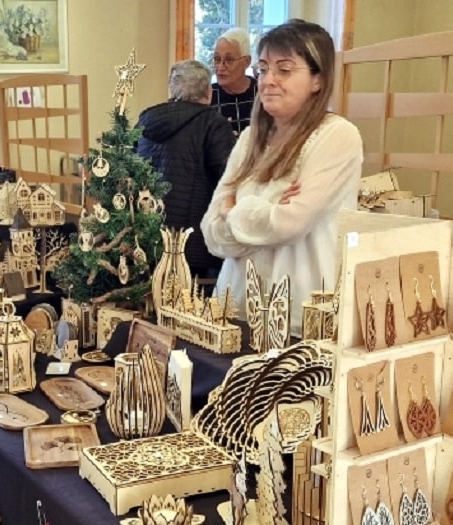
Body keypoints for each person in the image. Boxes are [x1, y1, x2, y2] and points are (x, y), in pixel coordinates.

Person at [202, 19, 363, 335]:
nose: (268, 81)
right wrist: (272, 203)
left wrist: (234, 210)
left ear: (318, 79)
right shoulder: (249, 138)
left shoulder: (337, 136)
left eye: (284, 70)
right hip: (235, 309)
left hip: (298, 316)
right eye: (263, 70)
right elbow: (211, 233)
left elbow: (289, 224)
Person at [136, 59, 236, 281]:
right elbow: (228, 177)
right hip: (193, 243)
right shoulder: (213, 124)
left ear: (171, 89)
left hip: (146, 236)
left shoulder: (146, 120)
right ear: (208, 92)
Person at [210, 28, 257, 136]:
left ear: (247, 61)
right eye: (217, 59)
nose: (220, 67)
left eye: (229, 60)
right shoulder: (207, 96)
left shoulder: (262, 93)